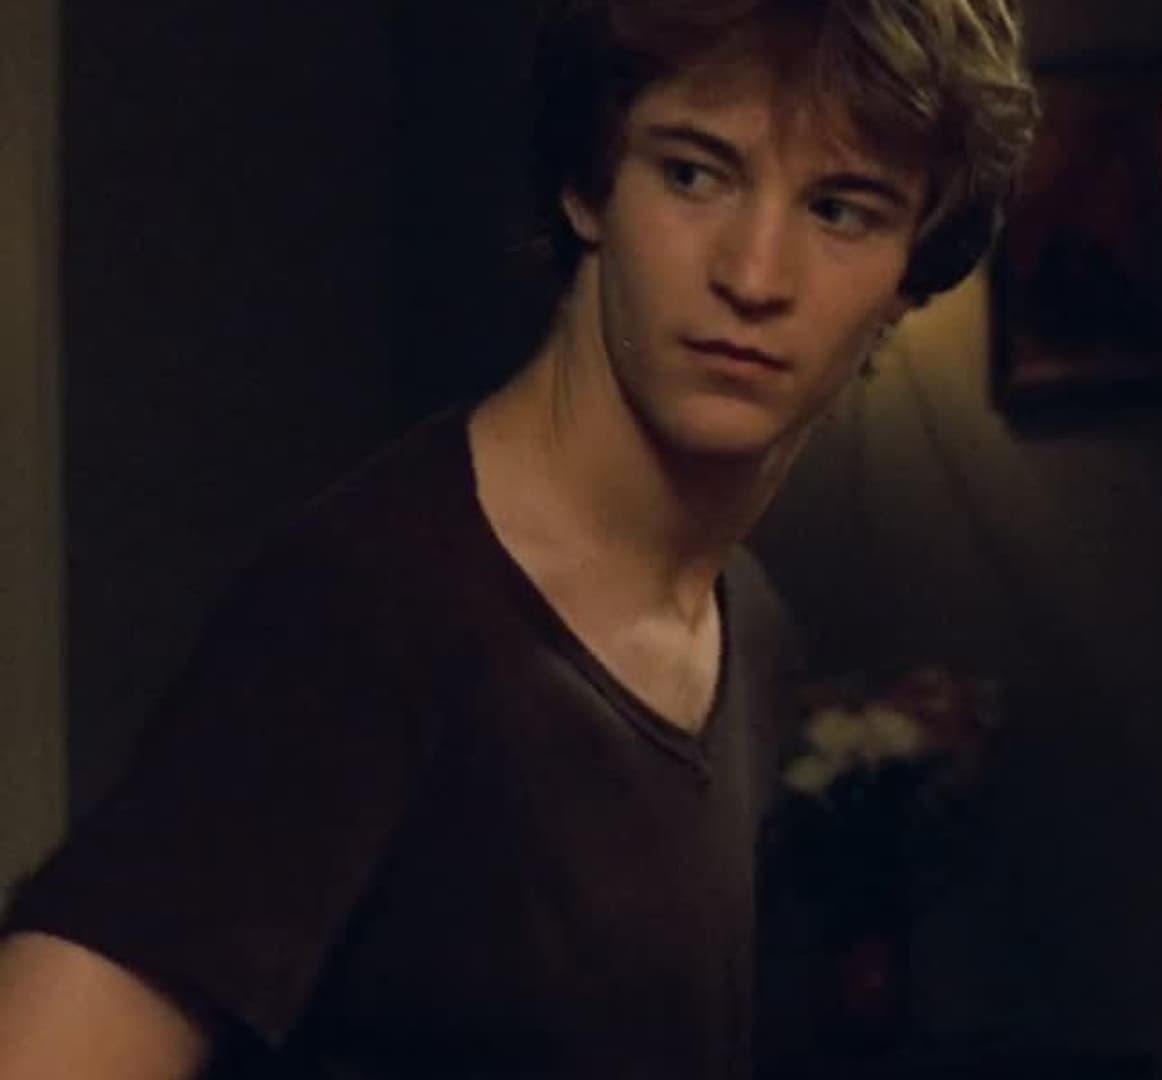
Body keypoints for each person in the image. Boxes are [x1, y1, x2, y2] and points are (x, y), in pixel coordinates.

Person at [0, 1, 1036, 1076]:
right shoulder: (375, 604)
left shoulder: (749, 626)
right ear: (589, 186)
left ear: (913, 272)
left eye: (840, 209)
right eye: (693, 174)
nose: (755, 274)